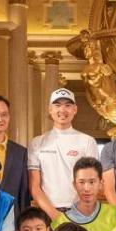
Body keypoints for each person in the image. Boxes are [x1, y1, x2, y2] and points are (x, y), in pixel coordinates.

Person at [27, 88, 99, 220]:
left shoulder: (88, 141)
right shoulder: (36, 143)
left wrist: (81, 213)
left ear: (75, 109)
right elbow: (34, 186)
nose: (62, 110)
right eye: (57, 105)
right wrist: (55, 215)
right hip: (46, 213)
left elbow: (93, 181)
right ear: (50, 109)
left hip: (80, 212)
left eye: (68, 105)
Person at [52, 157, 116, 231]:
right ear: (74, 184)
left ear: (101, 183)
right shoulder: (61, 221)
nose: (86, 188)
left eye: (92, 182)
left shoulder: (115, 214)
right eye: (81, 182)